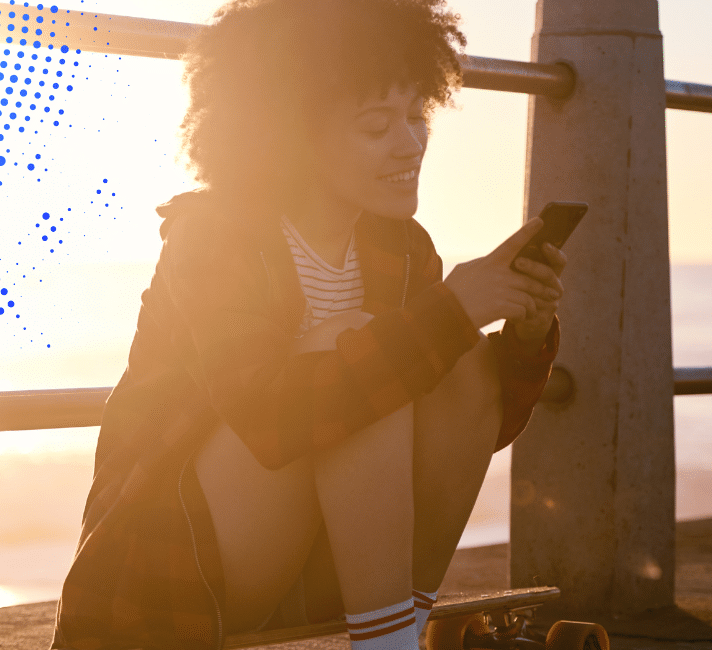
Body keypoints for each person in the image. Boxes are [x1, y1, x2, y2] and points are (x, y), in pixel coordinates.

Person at [51, 1, 566, 649]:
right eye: (376, 125)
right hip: (174, 579)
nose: (409, 145)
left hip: (313, 569)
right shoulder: (216, 238)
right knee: (357, 352)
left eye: (416, 116)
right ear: (290, 134)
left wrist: (520, 336)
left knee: (454, 360)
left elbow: (455, 435)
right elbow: (271, 419)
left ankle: (396, 631)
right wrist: (452, 312)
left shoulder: (402, 249)